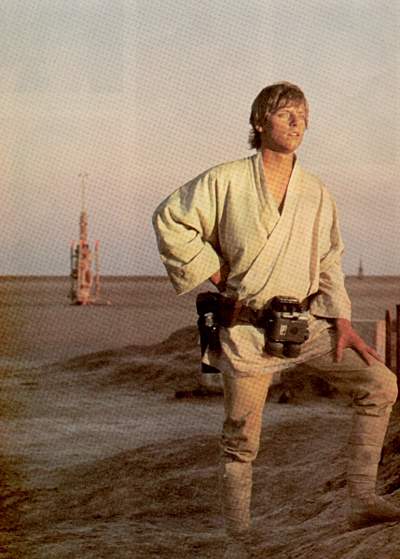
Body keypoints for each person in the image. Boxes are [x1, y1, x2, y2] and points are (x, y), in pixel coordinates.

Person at [152, 82, 400, 558]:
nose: (297, 124)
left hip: (304, 326)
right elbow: (170, 218)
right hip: (245, 330)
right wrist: (212, 267)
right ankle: (237, 539)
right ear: (260, 121)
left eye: (304, 117)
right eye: (286, 114)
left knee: (380, 384)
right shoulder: (225, 180)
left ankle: (361, 499)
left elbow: (330, 258)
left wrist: (342, 319)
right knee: (241, 439)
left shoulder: (316, 192)